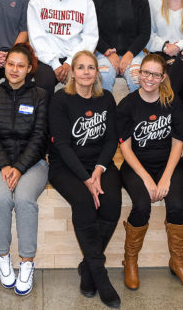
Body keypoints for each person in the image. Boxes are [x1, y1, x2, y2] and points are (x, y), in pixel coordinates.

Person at [48, 50, 122, 308]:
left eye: (91, 67)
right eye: (81, 67)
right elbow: (63, 146)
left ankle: (88, 266)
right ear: (73, 72)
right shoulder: (60, 100)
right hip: (66, 167)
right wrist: (86, 179)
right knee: (83, 203)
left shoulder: (107, 98)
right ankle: (100, 276)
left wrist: (99, 171)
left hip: (99, 164)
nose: (87, 72)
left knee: (112, 202)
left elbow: (112, 139)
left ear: (97, 72)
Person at [116, 53, 183, 290]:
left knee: (176, 206)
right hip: (136, 166)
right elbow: (126, 148)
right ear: (138, 74)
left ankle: (178, 262)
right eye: (146, 72)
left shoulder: (173, 102)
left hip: (168, 164)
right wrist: (148, 180)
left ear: (163, 78)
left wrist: (165, 177)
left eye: (156, 74)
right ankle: (130, 261)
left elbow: (178, 143)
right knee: (142, 205)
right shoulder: (127, 105)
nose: (150, 78)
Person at [0, 43, 48, 295]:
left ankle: (27, 263)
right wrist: (6, 165)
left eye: (21, 66)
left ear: (30, 69)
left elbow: (40, 136)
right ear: (4, 65)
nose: (15, 70)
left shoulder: (40, 95)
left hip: (33, 164)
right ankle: (2, 257)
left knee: (23, 199)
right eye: (11, 64)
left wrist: (19, 167)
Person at [27, 0, 98, 97]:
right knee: (44, 84)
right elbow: (37, 38)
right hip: (47, 58)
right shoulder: (36, 1)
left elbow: (90, 36)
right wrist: (55, 65)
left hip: (76, 57)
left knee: (82, 83)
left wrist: (69, 63)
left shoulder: (84, 0)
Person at [94, 0, 151, 92]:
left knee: (137, 78)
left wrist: (129, 54)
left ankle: (136, 113)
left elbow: (145, 33)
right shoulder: (96, 0)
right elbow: (92, 32)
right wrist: (108, 52)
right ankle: (105, 113)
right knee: (104, 77)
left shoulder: (140, 0)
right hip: (104, 53)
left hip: (134, 53)